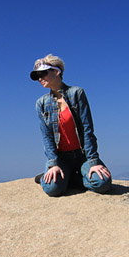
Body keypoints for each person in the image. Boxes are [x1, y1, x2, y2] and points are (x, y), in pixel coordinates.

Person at [30, 54, 112, 197]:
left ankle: (69, 179)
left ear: (57, 71)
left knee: (102, 183)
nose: (40, 78)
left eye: (43, 73)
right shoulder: (41, 103)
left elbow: (87, 129)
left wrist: (93, 161)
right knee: (52, 189)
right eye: (37, 76)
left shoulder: (77, 93)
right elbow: (47, 136)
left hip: (82, 155)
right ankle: (55, 177)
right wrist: (53, 164)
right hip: (61, 158)